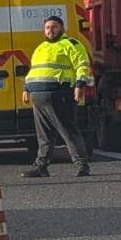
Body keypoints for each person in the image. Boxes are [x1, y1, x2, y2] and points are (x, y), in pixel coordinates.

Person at [21, 15, 93, 178]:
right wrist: (26, 88)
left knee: (68, 131)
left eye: (54, 27)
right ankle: (41, 166)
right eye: (47, 27)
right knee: (44, 135)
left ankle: (82, 165)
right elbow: (34, 70)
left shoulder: (71, 44)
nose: (50, 30)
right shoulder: (41, 48)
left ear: (62, 28)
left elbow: (82, 65)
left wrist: (80, 85)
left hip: (60, 94)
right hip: (38, 96)